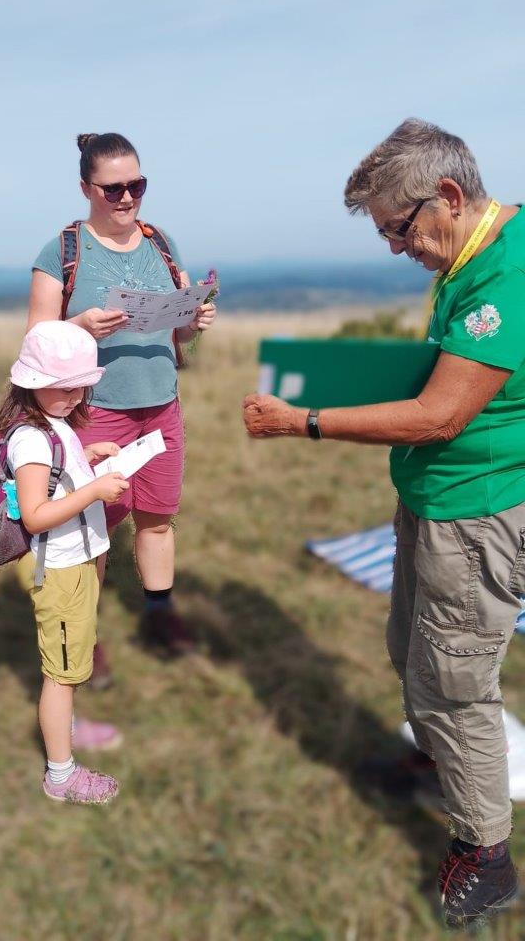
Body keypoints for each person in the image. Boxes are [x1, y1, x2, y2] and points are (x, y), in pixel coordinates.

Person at [243, 118, 524, 930]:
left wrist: (305, 422)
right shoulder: (475, 254)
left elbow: (441, 416)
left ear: (449, 196)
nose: (398, 249)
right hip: (436, 500)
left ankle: (485, 856)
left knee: (455, 683)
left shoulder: (504, 279)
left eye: (400, 229)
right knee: (412, 650)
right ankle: (437, 766)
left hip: (477, 511)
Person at [26, 132, 217, 678]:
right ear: (86, 188)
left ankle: (160, 615)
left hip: (161, 404)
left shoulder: (161, 243)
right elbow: (36, 338)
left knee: (157, 519)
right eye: (113, 188)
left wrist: (193, 321)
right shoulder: (62, 252)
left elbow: (179, 336)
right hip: (97, 409)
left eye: (137, 185)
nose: (127, 197)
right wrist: (79, 325)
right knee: (92, 528)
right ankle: (84, 631)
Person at [2, 320, 129, 803]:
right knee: (61, 675)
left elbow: (55, 480)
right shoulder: (31, 440)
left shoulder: (53, 425)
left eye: (81, 386)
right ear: (33, 383)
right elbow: (36, 515)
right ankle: (61, 775)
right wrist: (94, 491)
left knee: (72, 661)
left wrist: (86, 457)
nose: (76, 396)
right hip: (60, 568)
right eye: (65, 386)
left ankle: (67, 727)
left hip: (79, 561)